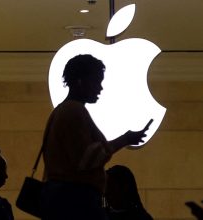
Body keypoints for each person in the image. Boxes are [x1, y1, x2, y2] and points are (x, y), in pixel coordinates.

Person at [41, 54, 151, 220]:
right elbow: (86, 159)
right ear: (80, 81)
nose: (100, 88)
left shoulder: (62, 111)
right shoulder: (74, 111)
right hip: (76, 202)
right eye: (96, 81)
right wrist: (124, 140)